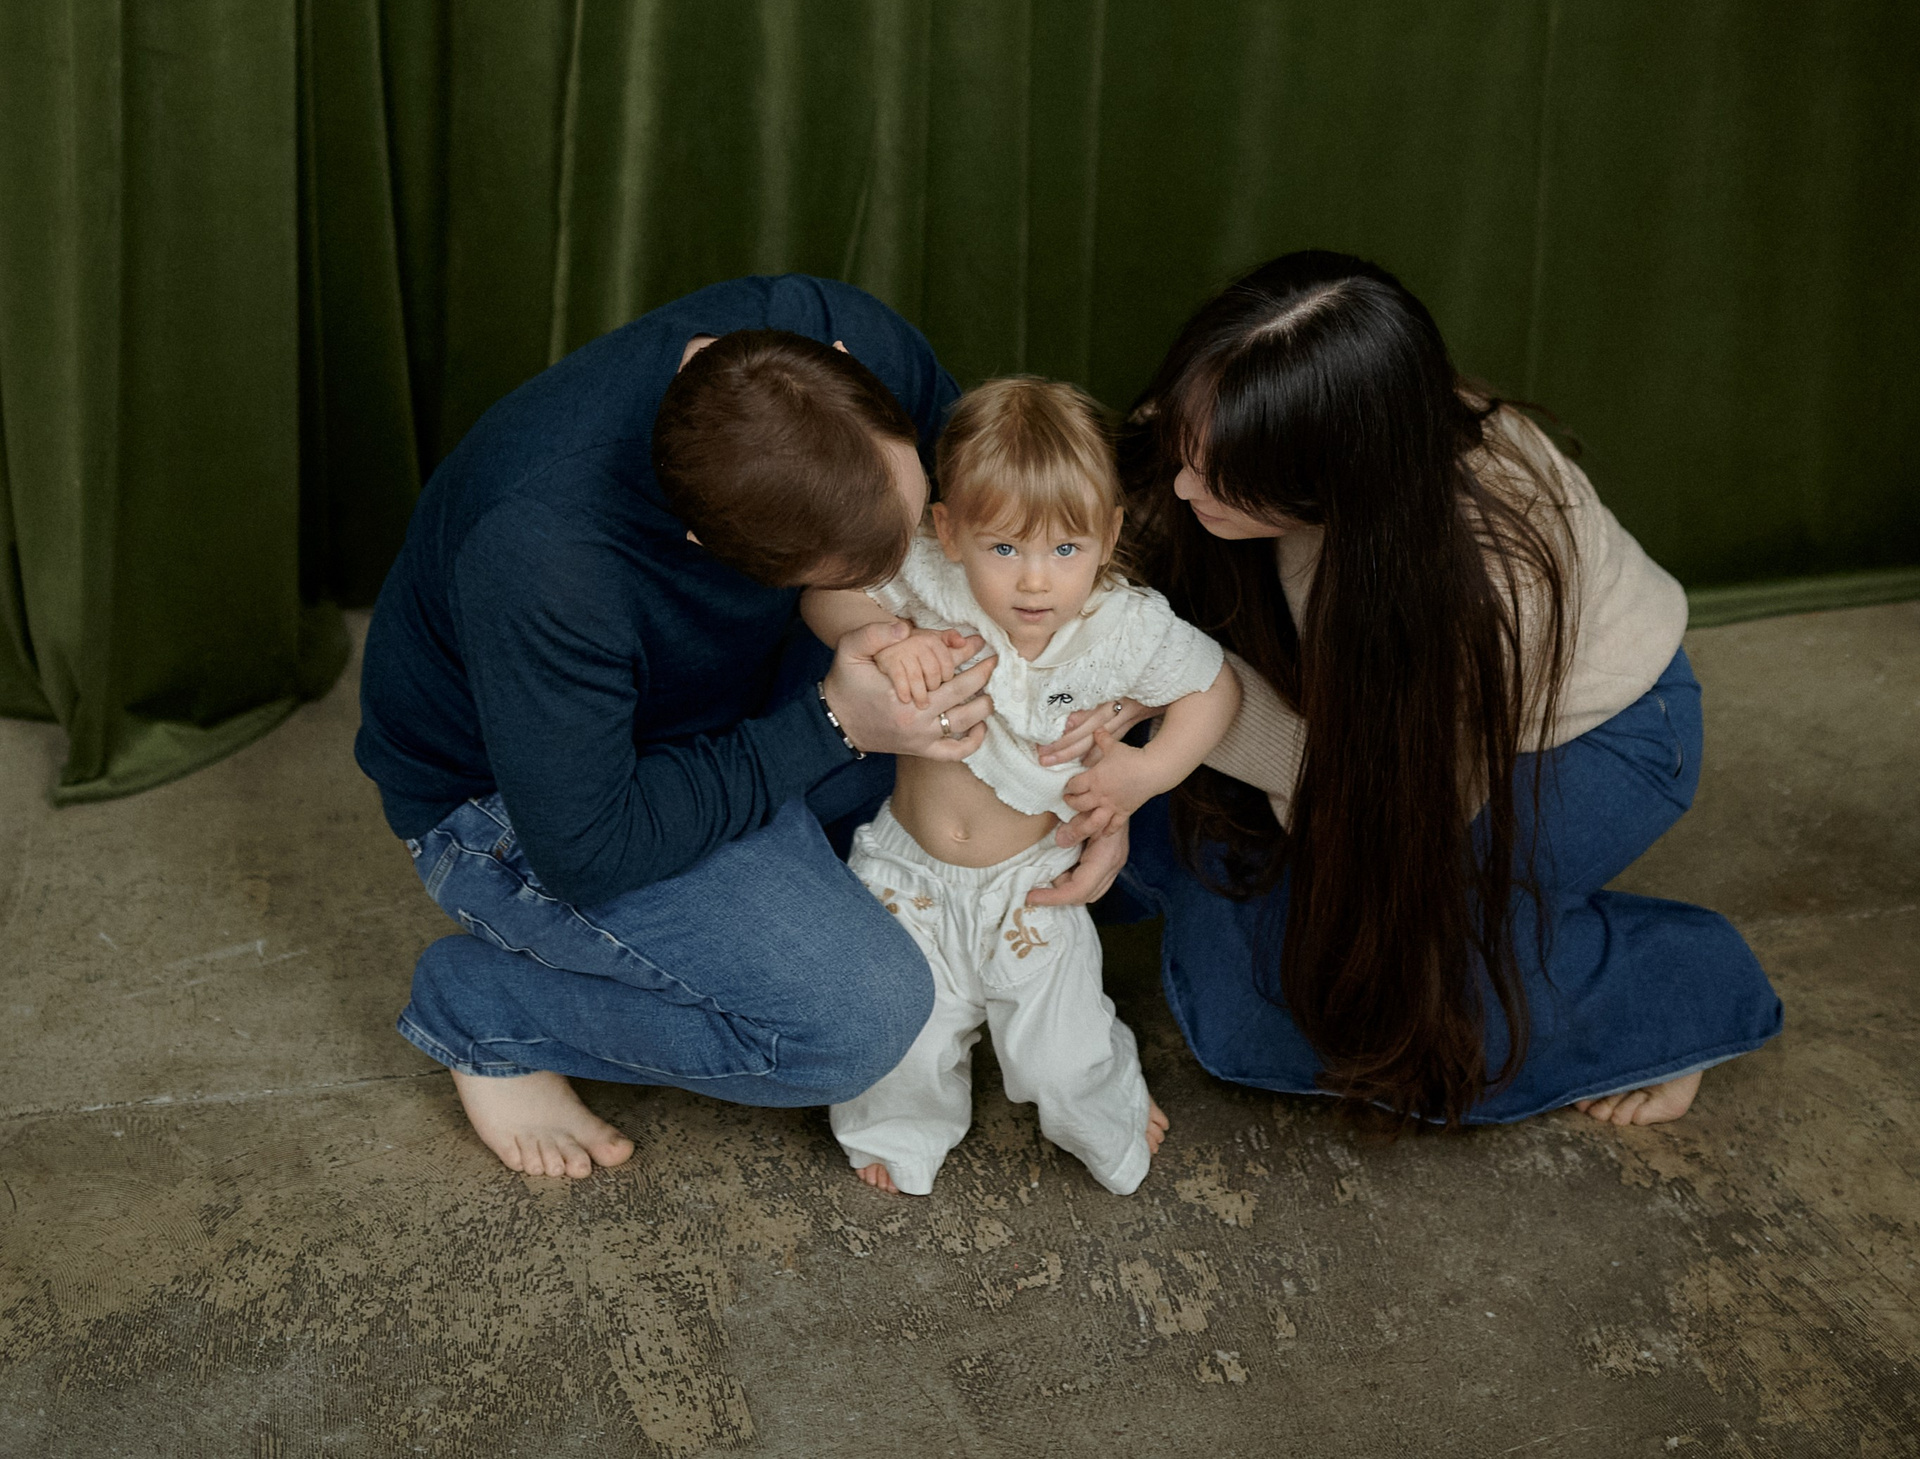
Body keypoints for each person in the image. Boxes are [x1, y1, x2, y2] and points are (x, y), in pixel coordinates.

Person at [357, 274, 1064, 1180]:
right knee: (859, 1019)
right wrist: (836, 723)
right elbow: (589, 844)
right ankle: (488, 1010)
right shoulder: (546, 557)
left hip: (737, 688)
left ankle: (810, 847)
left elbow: (990, 521)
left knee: (1071, 780)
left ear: (845, 367)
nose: (909, 562)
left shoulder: (840, 334)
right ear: (705, 546)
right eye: (862, 565)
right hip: (532, 797)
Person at [1058, 254, 1783, 1130]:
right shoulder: (1244, 412)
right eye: (1186, 446)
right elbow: (1122, 531)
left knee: (1330, 1018)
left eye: (1219, 477)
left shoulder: (1484, 585)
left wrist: (1191, 686)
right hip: (1335, 707)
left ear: (1334, 479)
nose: (1182, 484)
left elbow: (1375, 797)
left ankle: (1677, 990)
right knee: (1224, 928)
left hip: (1584, 740)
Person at [800, 377, 1239, 1196]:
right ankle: (898, 1130)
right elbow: (825, 592)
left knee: (1062, 1055)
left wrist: (1145, 773)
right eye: (1004, 548)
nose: (1035, 582)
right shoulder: (928, 581)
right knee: (904, 1037)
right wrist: (884, 638)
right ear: (949, 531)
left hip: (1033, 884)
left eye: (1065, 549)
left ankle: (1107, 1097)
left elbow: (1214, 687)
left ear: (1110, 534)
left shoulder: (1122, 624)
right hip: (907, 874)